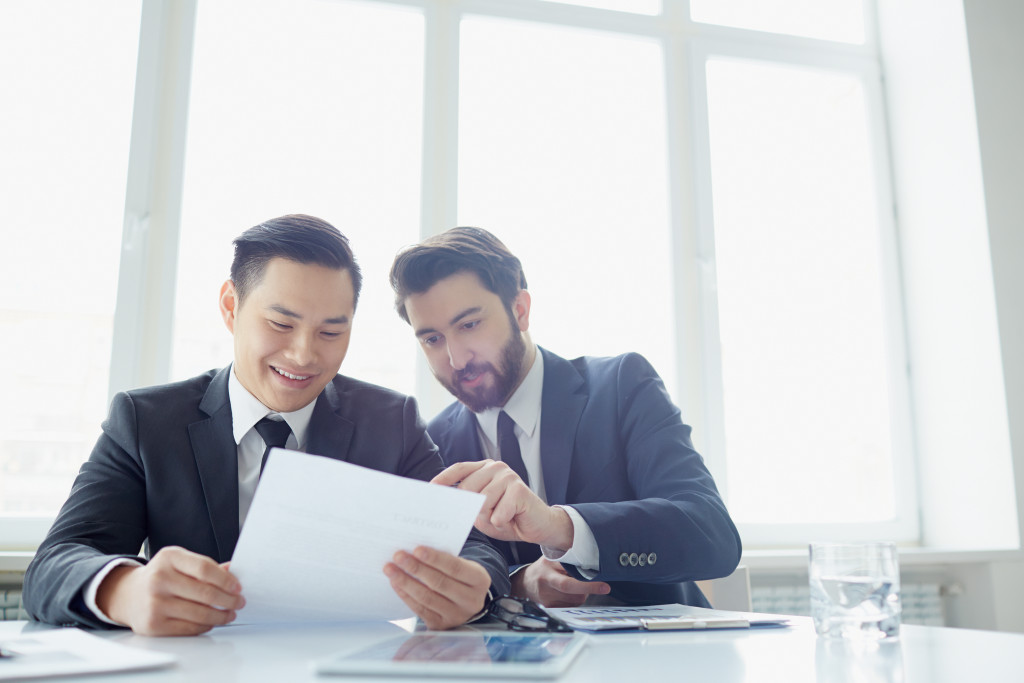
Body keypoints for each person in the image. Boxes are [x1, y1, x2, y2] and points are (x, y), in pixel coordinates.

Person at [23, 215, 509, 636]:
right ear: (231, 308)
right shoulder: (146, 422)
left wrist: (475, 588)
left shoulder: (391, 420)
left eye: (331, 332)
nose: (304, 354)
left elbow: (476, 546)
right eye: (280, 324)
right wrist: (124, 590)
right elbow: (54, 564)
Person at [389, 227, 741, 608]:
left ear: (520, 310)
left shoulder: (621, 385)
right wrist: (519, 582)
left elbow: (713, 536)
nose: (456, 359)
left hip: (651, 655)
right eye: (432, 340)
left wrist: (560, 527)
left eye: (469, 325)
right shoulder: (434, 443)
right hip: (507, 664)